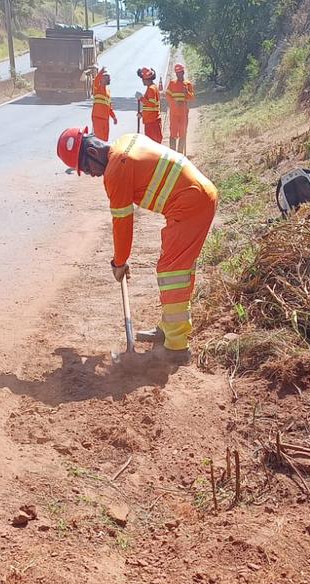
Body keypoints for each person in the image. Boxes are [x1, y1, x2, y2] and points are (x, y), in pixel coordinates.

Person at [56, 126, 219, 362]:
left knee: (173, 272)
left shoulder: (116, 170)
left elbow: (122, 223)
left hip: (191, 204)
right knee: (174, 267)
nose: (92, 175)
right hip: (196, 196)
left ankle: (176, 348)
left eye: (87, 168)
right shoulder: (126, 141)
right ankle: (169, 329)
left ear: (92, 152)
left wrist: (119, 262)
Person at [165, 64, 195, 154]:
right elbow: (168, 96)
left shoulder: (188, 84)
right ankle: (172, 154)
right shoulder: (172, 83)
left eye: (180, 72)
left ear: (183, 72)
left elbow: (192, 97)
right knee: (173, 133)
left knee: (183, 133)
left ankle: (180, 153)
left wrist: (187, 93)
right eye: (177, 73)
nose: (179, 75)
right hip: (174, 113)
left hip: (183, 113)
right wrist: (175, 103)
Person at [136, 67, 164, 144]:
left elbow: (151, 104)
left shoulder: (151, 89)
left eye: (142, 79)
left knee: (152, 144)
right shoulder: (151, 87)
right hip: (151, 120)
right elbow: (150, 107)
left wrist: (141, 98)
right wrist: (142, 114)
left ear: (146, 79)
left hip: (152, 122)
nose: (142, 81)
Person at [90, 67, 117, 141]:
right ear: (101, 78)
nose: (109, 79)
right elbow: (96, 80)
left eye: (109, 77)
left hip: (105, 119)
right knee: (99, 139)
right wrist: (101, 72)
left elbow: (109, 107)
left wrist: (114, 117)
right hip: (97, 118)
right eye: (107, 77)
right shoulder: (97, 88)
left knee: (105, 139)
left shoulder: (108, 91)